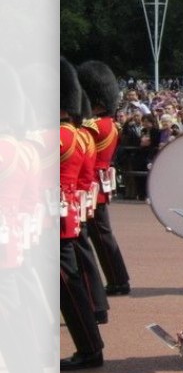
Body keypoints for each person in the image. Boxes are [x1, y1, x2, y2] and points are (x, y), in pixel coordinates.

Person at [59, 59, 105, 372]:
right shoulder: (80, 135)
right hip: (66, 211)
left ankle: (89, 349)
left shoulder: (60, 136)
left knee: (69, 287)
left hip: (52, 218)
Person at [76, 61, 131, 297]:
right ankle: (118, 279)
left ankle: (114, 282)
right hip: (98, 184)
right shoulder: (110, 124)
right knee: (101, 235)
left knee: (95, 236)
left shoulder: (93, 126)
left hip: (89, 187)